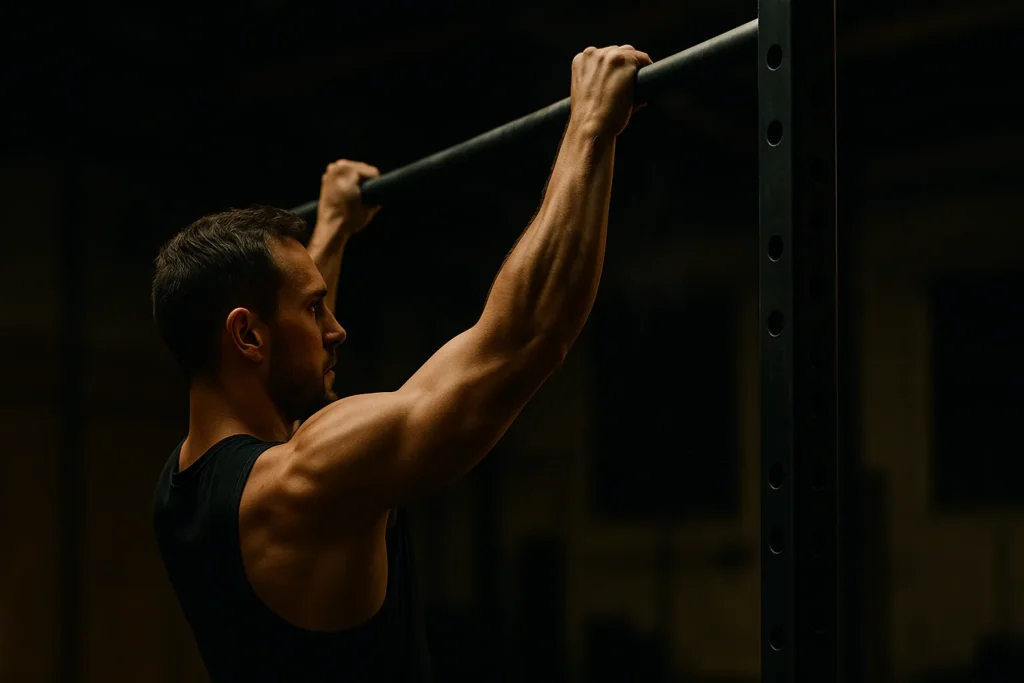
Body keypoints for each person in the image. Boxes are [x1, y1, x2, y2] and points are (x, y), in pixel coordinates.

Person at [151, 43, 652, 682]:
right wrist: (590, 127)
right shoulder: (311, 478)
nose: (337, 329)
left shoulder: (179, 487)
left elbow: (283, 378)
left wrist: (331, 228)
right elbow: (522, 341)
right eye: (314, 310)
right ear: (247, 337)